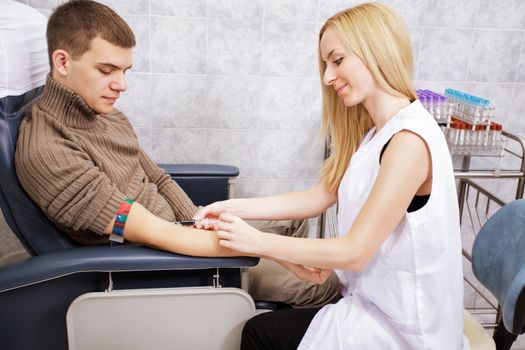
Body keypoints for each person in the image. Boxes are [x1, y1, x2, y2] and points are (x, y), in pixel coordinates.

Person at [13, 0, 339, 308]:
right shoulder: (49, 152)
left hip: (183, 230)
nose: (121, 85)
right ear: (63, 61)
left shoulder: (105, 115)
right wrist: (270, 252)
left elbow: (157, 178)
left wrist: (199, 221)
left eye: (125, 70)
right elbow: (155, 232)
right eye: (107, 70)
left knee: (297, 221)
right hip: (169, 263)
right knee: (330, 283)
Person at [195, 2, 468, 349]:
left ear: (376, 50)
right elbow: (318, 197)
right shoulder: (376, 134)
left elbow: (355, 251)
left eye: (337, 60)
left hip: (404, 330)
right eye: (326, 64)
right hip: (373, 304)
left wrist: (257, 242)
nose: (327, 76)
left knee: (259, 334)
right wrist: (233, 208)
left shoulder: (409, 141)